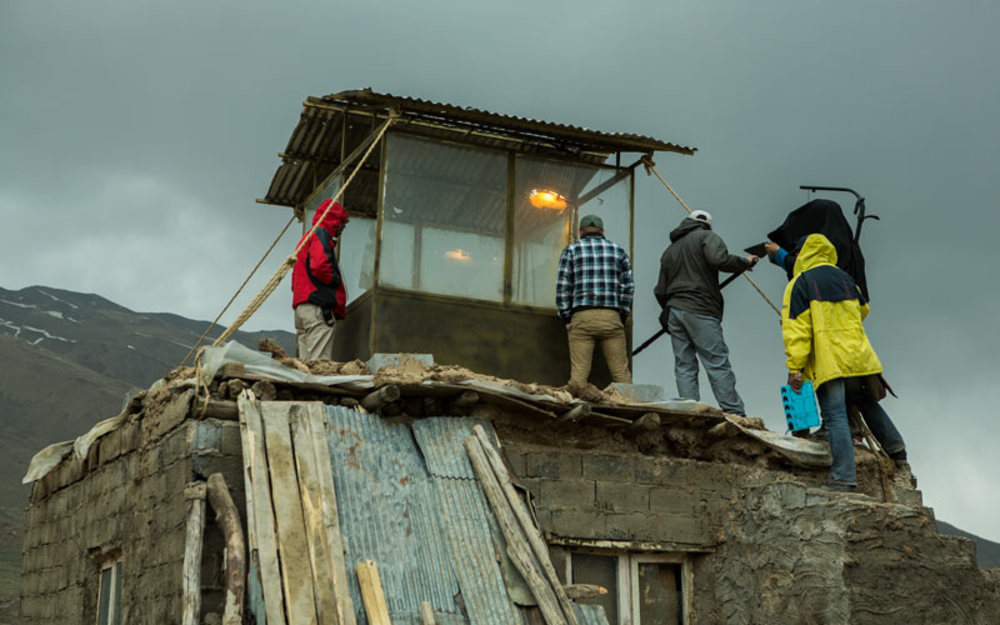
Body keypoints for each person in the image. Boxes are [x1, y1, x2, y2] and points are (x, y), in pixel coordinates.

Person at [781, 233, 907, 492]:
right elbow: (863, 311)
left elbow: (797, 330)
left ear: (803, 253)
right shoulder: (847, 279)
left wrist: (795, 367)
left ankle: (843, 479)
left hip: (830, 360)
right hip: (858, 356)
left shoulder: (800, 282)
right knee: (865, 402)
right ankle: (897, 450)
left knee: (835, 415)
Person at [653, 210, 757, 415]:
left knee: (684, 365)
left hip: (675, 311)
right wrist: (745, 262)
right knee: (716, 362)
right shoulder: (707, 236)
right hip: (700, 309)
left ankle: (689, 411)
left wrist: (668, 307)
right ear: (708, 225)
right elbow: (719, 259)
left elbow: (660, 290)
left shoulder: (669, 251)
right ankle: (734, 412)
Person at [556, 214, 634, 388]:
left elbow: (563, 287)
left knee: (578, 378)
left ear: (580, 232)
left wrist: (566, 318)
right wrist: (620, 315)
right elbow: (628, 288)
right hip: (611, 317)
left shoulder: (571, 250)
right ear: (602, 231)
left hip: (582, 317)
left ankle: (578, 412)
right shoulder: (618, 251)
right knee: (622, 375)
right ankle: (629, 408)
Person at [291, 199, 349, 360]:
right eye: (342, 224)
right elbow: (319, 265)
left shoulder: (306, 239)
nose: (342, 229)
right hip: (317, 308)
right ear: (334, 222)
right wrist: (335, 282)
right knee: (319, 365)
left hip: (302, 308)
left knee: (305, 365)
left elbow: (295, 277)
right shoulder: (321, 234)